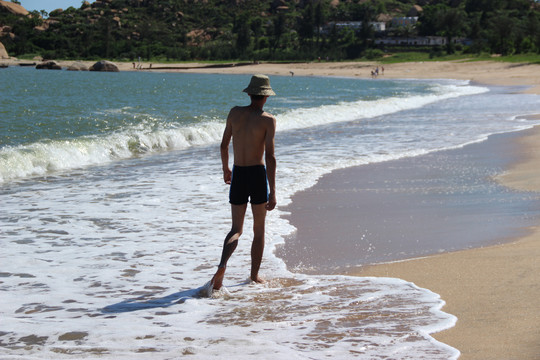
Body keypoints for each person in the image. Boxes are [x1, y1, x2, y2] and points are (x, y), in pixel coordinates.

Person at [210, 74, 277, 290]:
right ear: (266, 97)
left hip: (238, 173)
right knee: (259, 230)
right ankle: (254, 275)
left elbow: (223, 145)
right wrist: (273, 191)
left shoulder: (234, 113)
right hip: (257, 175)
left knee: (236, 229)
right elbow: (270, 157)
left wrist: (226, 169)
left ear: (249, 93)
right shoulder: (268, 120)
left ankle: (222, 265)